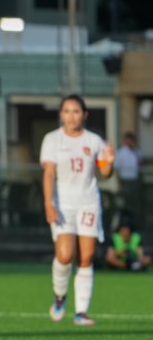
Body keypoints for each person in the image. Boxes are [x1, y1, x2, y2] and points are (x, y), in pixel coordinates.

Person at [40, 94, 115, 327]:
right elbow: (49, 173)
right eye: (67, 111)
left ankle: (81, 312)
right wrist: (48, 203)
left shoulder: (94, 141)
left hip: (88, 202)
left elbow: (105, 173)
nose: (71, 116)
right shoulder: (52, 139)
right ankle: (60, 295)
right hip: (63, 204)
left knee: (87, 256)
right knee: (65, 255)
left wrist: (109, 162)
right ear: (61, 114)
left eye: (76, 111)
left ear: (85, 115)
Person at [115, 131, 143, 219]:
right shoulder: (121, 153)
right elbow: (117, 168)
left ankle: (135, 221)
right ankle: (126, 221)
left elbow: (140, 165)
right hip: (125, 180)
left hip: (135, 180)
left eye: (132, 141)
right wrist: (118, 182)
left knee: (135, 202)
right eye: (128, 140)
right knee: (125, 202)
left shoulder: (138, 152)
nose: (130, 143)